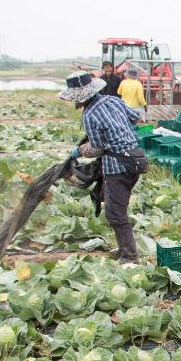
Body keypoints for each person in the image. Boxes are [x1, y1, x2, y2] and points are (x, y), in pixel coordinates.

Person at [59, 71, 147, 263]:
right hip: (135, 160)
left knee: (115, 213)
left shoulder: (89, 115)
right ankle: (124, 250)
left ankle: (130, 256)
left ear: (80, 97)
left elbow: (97, 149)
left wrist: (79, 150)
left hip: (117, 167)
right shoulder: (112, 100)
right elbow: (135, 117)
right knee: (117, 209)